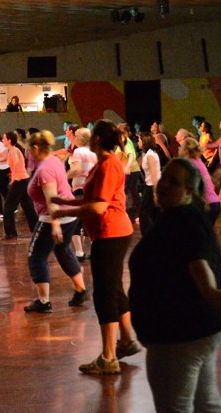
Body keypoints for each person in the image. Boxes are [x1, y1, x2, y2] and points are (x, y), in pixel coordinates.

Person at [128, 158, 221, 412]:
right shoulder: (182, 217)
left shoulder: (184, 222)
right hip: (197, 329)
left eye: (173, 182)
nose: (163, 185)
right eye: (164, 178)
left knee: (175, 407)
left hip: (180, 333)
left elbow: (207, 286)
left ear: (189, 192)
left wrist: (218, 298)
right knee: (205, 402)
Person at [51, 119, 140, 375]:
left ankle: (109, 357)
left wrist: (65, 211)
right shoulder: (103, 164)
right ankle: (126, 341)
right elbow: (92, 198)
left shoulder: (108, 165)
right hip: (110, 232)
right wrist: (64, 201)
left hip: (111, 232)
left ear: (98, 139)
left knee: (104, 294)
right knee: (114, 289)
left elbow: (99, 206)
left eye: (91, 135)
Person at [23, 131, 87, 312]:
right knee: (62, 250)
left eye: (30, 150)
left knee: (36, 256)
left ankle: (43, 301)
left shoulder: (45, 170)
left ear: (36, 148)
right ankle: (80, 289)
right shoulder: (54, 160)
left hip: (53, 217)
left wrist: (56, 225)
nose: (28, 153)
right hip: (70, 215)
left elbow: (52, 199)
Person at [67, 128, 97, 262]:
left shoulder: (78, 152)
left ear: (79, 138)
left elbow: (76, 169)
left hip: (80, 188)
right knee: (89, 220)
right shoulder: (94, 151)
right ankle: (93, 250)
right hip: (93, 189)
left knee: (75, 221)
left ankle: (79, 252)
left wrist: (63, 177)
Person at [2, 131, 37, 240]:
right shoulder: (13, 150)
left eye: (4, 138)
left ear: (9, 140)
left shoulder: (13, 150)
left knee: (8, 208)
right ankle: (36, 229)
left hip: (20, 180)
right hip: (23, 180)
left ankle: (10, 233)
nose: (2, 140)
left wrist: (14, 178)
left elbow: (17, 163)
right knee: (27, 206)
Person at [180, 137, 221, 228]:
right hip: (214, 203)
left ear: (185, 150)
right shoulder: (198, 161)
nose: (179, 148)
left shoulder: (190, 163)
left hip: (207, 205)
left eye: (181, 147)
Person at [137, 132, 161, 236]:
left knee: (144, 213)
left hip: (152, 187)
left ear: (144, 142)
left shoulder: (150, 155)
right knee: (155, 213)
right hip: (150, 186)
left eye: (139, 140)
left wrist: (155, 193)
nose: (138, 142)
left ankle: (147, 237)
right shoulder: (148, 154)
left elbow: (154, 174)